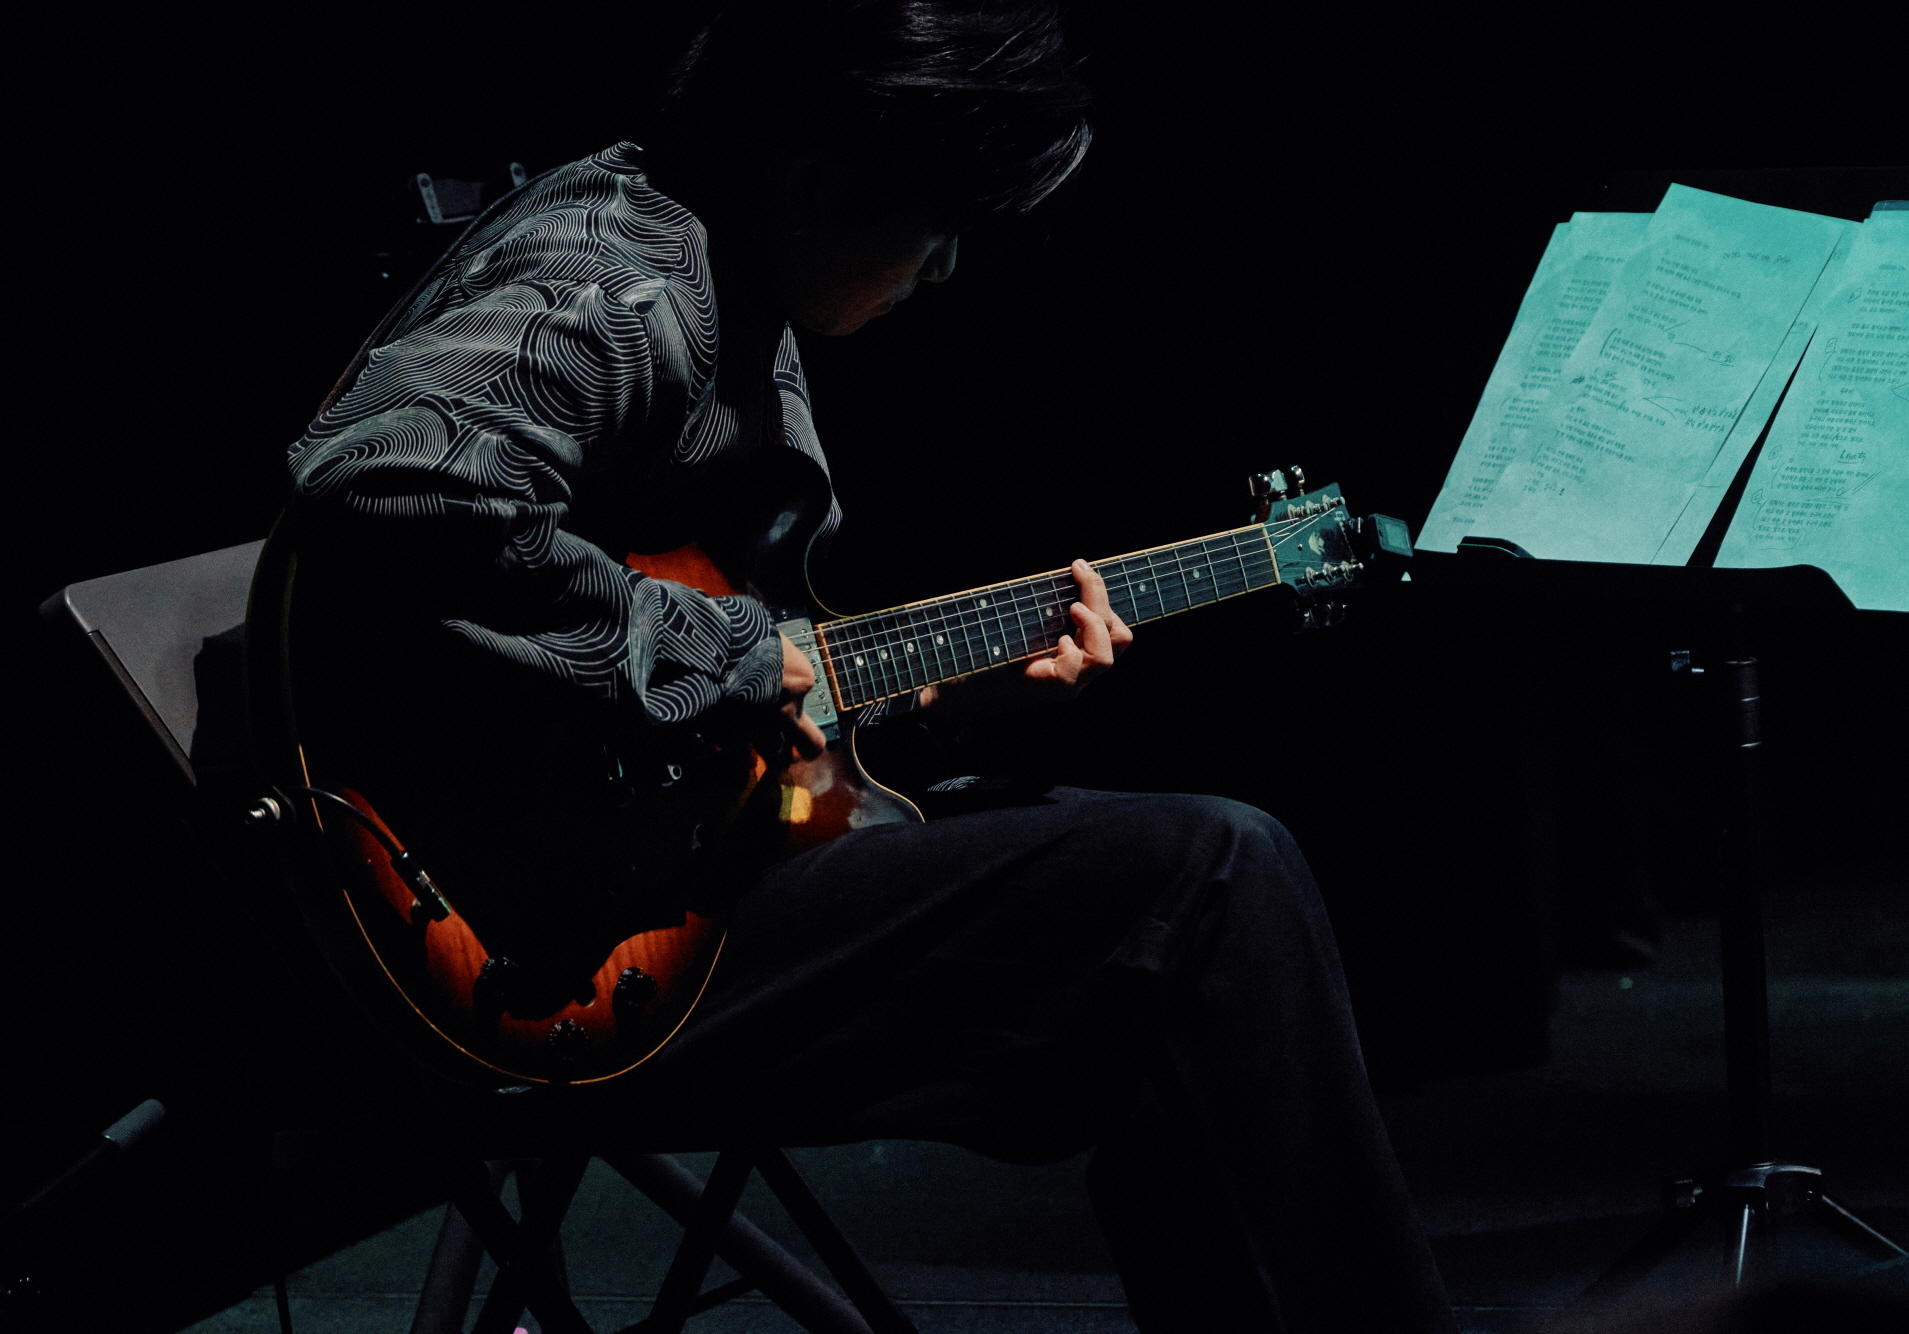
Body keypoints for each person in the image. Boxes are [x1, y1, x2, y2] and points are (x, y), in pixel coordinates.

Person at [284, 3, 1458, 1330]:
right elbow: (381, 490)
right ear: (819, 182)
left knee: (1168, 945)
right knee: (1212, 880)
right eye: (936, 225)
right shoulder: (619, 285)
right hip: (544, 944)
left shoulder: (726, 272)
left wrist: (954, 702)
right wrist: (739, 655)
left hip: (668, 876)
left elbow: (750, 700)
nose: (944, 267)